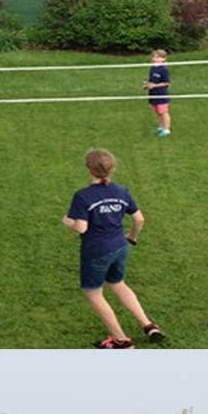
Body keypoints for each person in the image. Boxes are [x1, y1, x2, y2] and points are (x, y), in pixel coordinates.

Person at [63, 148, 165, 350]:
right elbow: (139, 219)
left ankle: (121, 340)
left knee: (93, 293)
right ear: (112, 169)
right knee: (118, 284)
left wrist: (67, 221)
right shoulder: (121, 191)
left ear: (89, 169)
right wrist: (132, 237)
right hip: (120, 246)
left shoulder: (83, 196)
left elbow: (81, 227)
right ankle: (149, 325)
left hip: (96, 251)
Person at [142, 49, 171, 137]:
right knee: (157, 112)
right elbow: (151, 81)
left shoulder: (164, 70)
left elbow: (167, 83)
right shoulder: (153, 68)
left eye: (158, 57)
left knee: (163, 112)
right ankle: (161, 127)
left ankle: (167, 129)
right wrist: (147, 85)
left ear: (164, 59)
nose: (155, 59)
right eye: (154, 57)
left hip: (161, 94)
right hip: (153, 94)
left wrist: (155, 86)